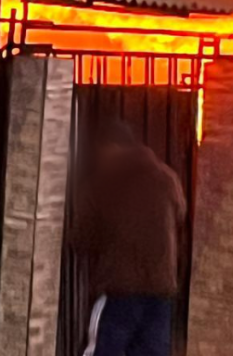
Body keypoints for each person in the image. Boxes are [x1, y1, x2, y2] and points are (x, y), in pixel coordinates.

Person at [73, 120, 187, 356]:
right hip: (161, 290)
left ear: (108, 147)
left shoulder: (103, 181)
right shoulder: (168, 178)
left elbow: (82, 235)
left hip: (119, 288)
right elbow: (180, 216)